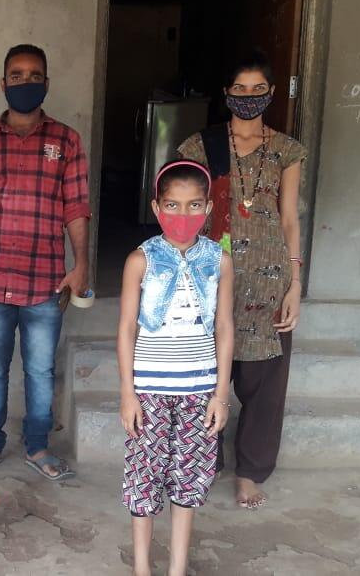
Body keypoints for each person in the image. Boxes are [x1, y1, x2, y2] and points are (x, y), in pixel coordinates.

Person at [177, 51, 308, 509]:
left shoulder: (287, 149)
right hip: (211, 276)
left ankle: (250, 472)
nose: (249, 97)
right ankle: (203, 461)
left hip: (269, 279)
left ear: (271, 94)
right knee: (204, 376)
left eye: (258, 90)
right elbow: (182, 210)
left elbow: (289, 218)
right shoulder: (201, 146)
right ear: (226, 94)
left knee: (264, 386)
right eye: (240, 89)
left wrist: (294, 282)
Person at [0, 43, 90, 481]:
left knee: (40, 369)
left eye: (34, 76)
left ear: (46, 84)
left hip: (46, 280)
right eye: (17, 75)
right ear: (3, 83)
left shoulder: (67, 140)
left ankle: (36, 446)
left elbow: (76, 208)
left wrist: (80, 263)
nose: (25, 83)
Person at [117, 160, 233, 576]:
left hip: (199, 389)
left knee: (189, 481)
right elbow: (127, 328)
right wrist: (128, 393)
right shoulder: (140, 260)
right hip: (148, 390)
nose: (182, 216)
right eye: (172, 205)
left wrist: (221, 394)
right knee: (144, 480)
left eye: (193, 205)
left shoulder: (218, 260)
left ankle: (177, 569)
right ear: (156, 206)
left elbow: (223, 325)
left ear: (208, 208)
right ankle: (143, 569)